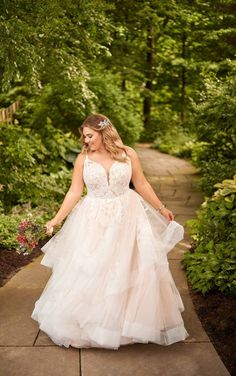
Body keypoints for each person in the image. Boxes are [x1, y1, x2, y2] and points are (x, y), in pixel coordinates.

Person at [31, 113, 189, 350]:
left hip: (128, 216)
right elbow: (74, 192)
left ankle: (129, 324)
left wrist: (161, 207)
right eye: (84, 137)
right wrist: (56, 219)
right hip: (93, 219)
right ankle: (92, 324)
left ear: (104, 132)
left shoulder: (128, 154)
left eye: (89, 136)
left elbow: (142, 184)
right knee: (93, 269)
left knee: (129, 269)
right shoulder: (83, 159)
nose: (86, 141)